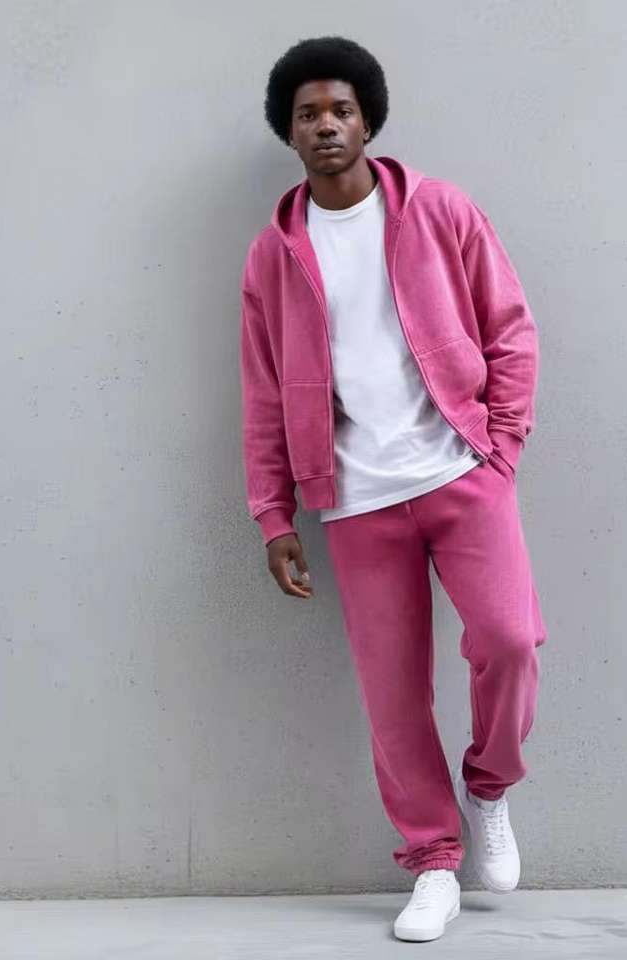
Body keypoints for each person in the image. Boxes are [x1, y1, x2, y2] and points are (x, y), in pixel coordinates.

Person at [240, 35, 547, 942]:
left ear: (368, 119)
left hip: (461, 472)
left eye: (341, 109)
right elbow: (263, 391)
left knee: (510, 641)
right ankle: (433, 864)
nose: (326, 125)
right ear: (289, 132)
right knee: (393, 695)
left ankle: (488, 788)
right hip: (358, 500)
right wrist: (273, 513)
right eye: (308, 114)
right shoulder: (274, 255)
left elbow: (510, 328)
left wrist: (501, 445)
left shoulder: (439, 210)